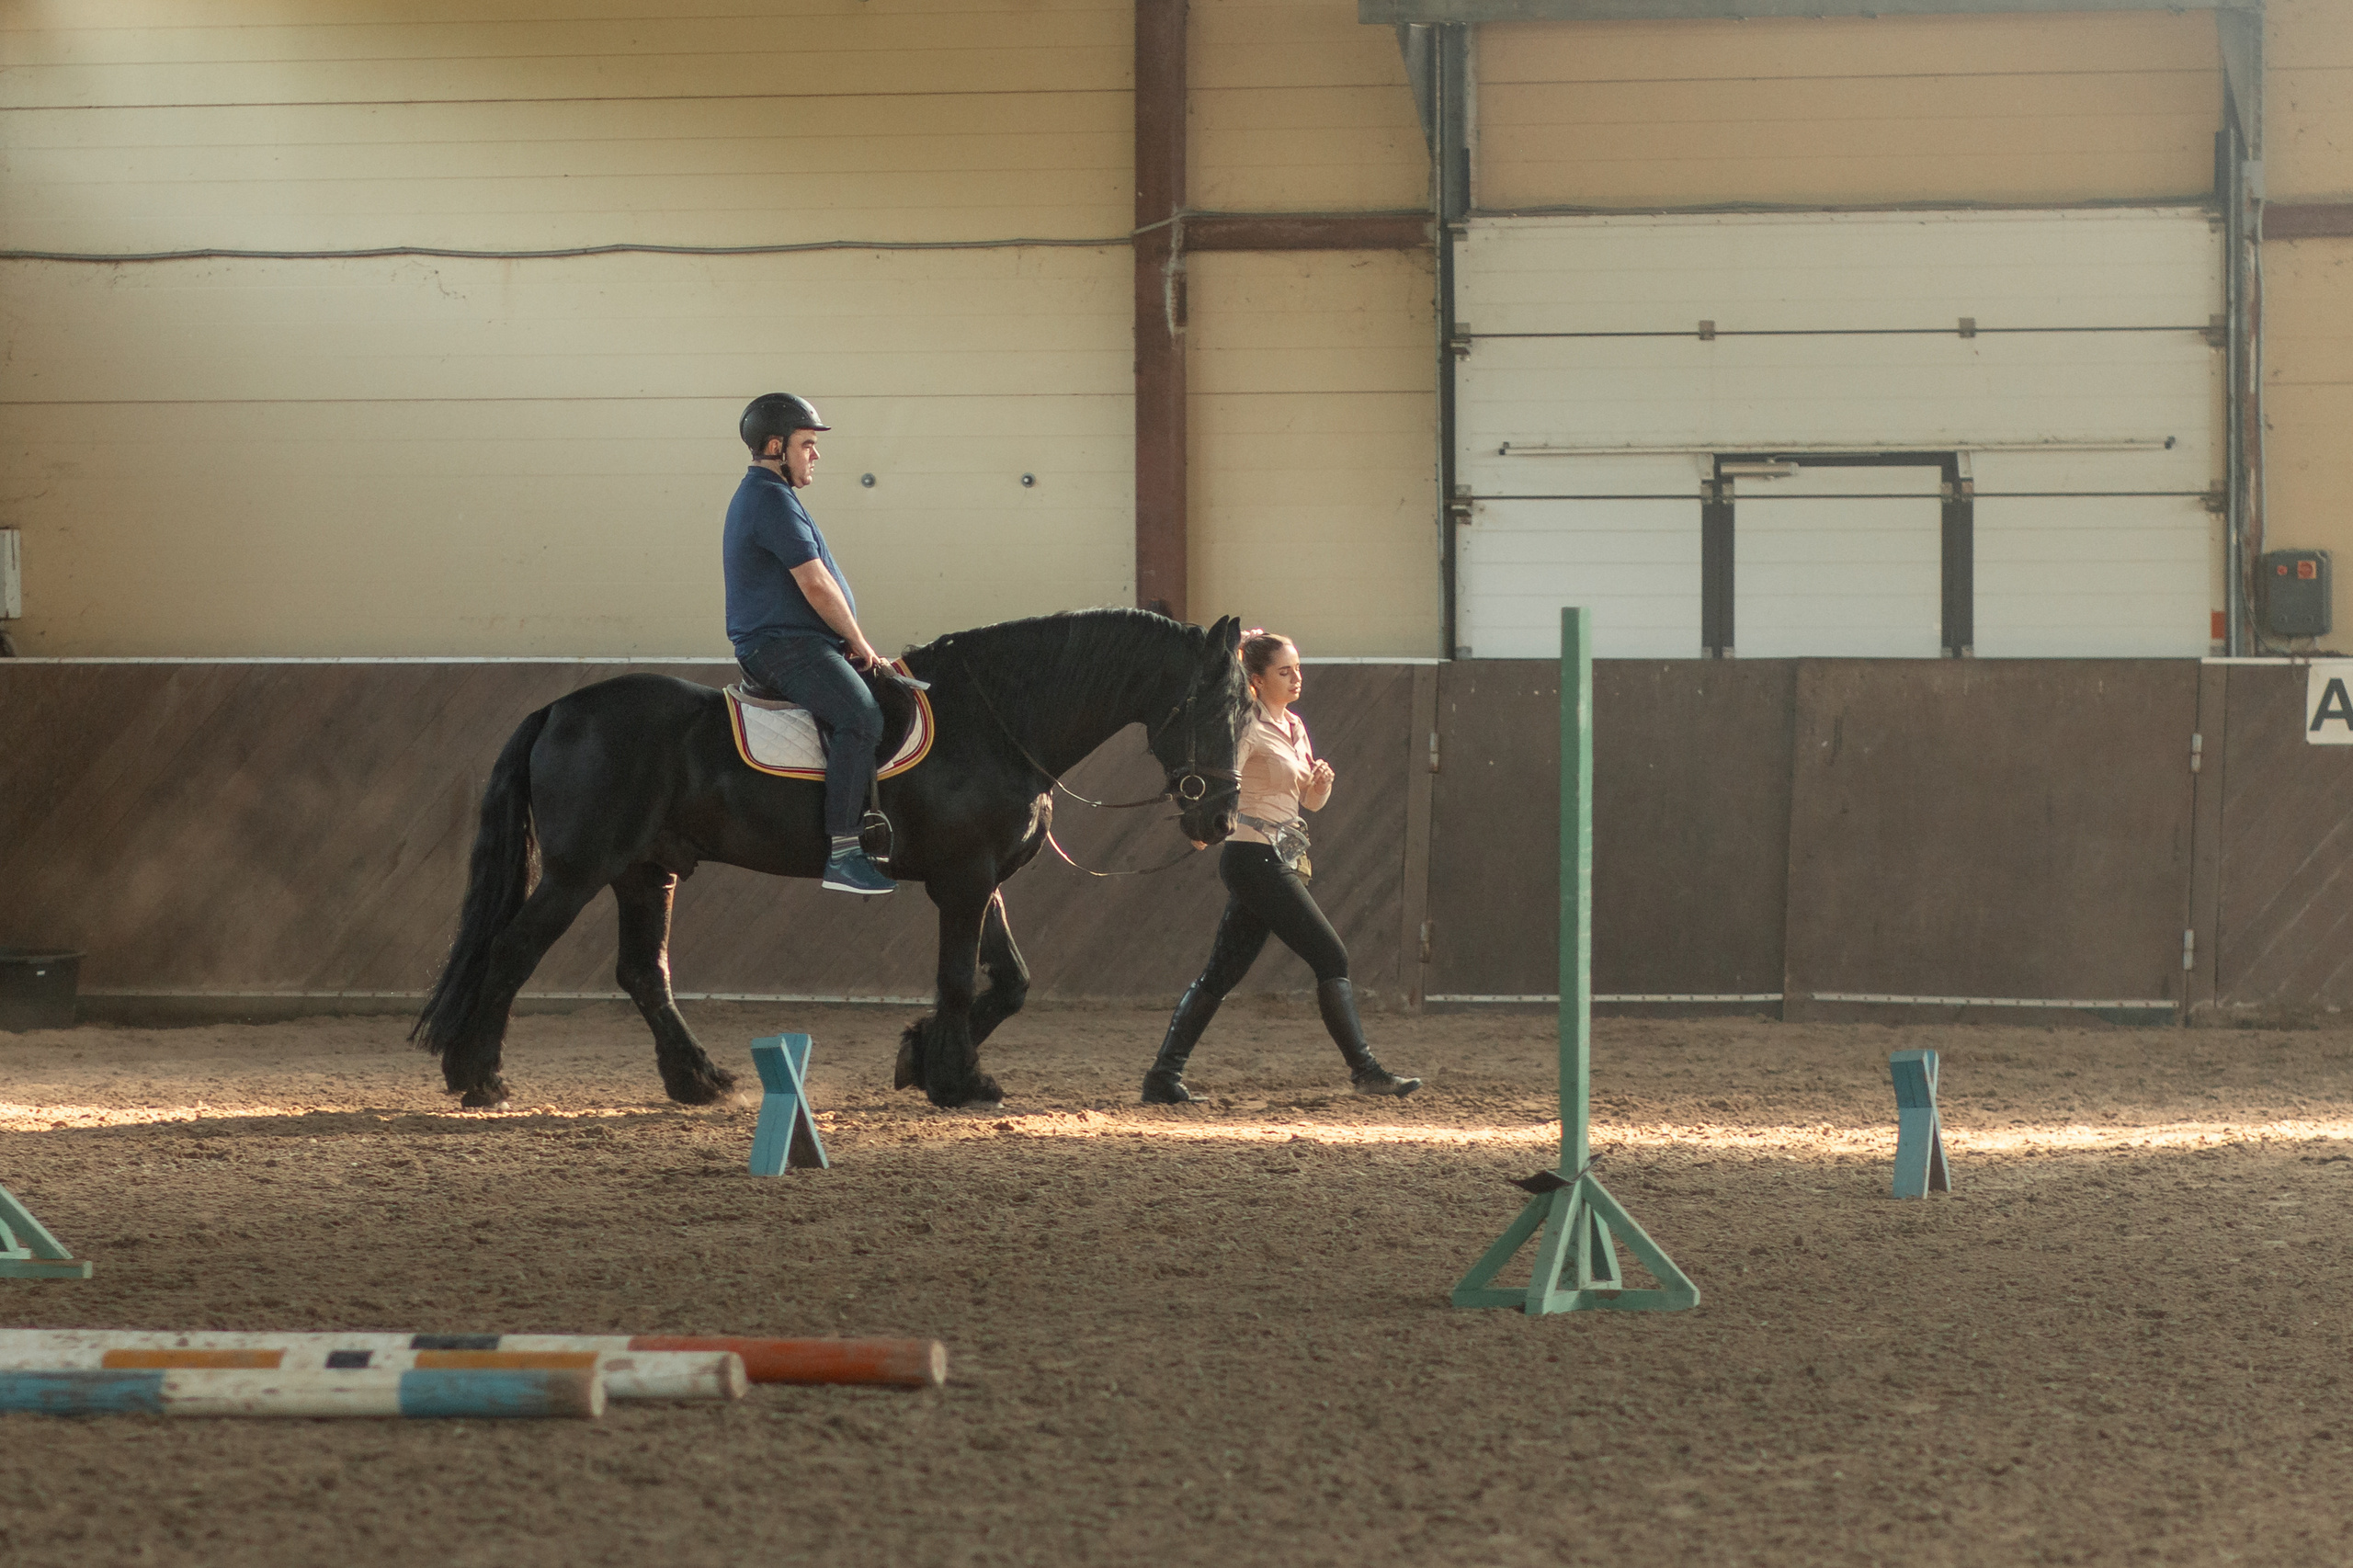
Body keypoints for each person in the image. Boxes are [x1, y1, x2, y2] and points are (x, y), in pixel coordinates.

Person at [1142, 631, 1420, 1104]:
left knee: (1221, 975)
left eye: (1297, 669)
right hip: (1253, 856)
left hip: (1279, 852)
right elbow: (1213, 783)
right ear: (1256, 679)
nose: (1297, 678)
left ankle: (1162, 1078)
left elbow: (1309, 802)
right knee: (1331, 957)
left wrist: (1320, 783)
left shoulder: (1294, 726)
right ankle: (1366, 1072)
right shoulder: (1244, 727)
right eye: (1284, 671)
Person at [722, 392, 896, 895]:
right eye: (806, 444)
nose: (815, 454)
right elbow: (816, 584)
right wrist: (860, 643)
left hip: (797, 643)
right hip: (784, 647)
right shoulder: (770, 500)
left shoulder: (772, 497)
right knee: (860, 716)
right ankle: (843, 852)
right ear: (775, 446)